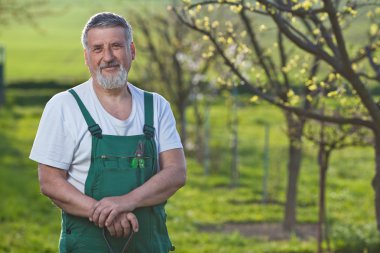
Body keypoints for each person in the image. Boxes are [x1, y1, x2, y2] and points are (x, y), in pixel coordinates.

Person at [30, 12, 186, 253]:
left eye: (116, 46)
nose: (108, 57)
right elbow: (50, 182)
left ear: (131, 50)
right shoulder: (64, 106)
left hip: (149, 244)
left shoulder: (156, 106)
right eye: (98, 49)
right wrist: (107, 214)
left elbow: (176, 172)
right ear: (87, 56)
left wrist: (125, 202)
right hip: (86, 245)